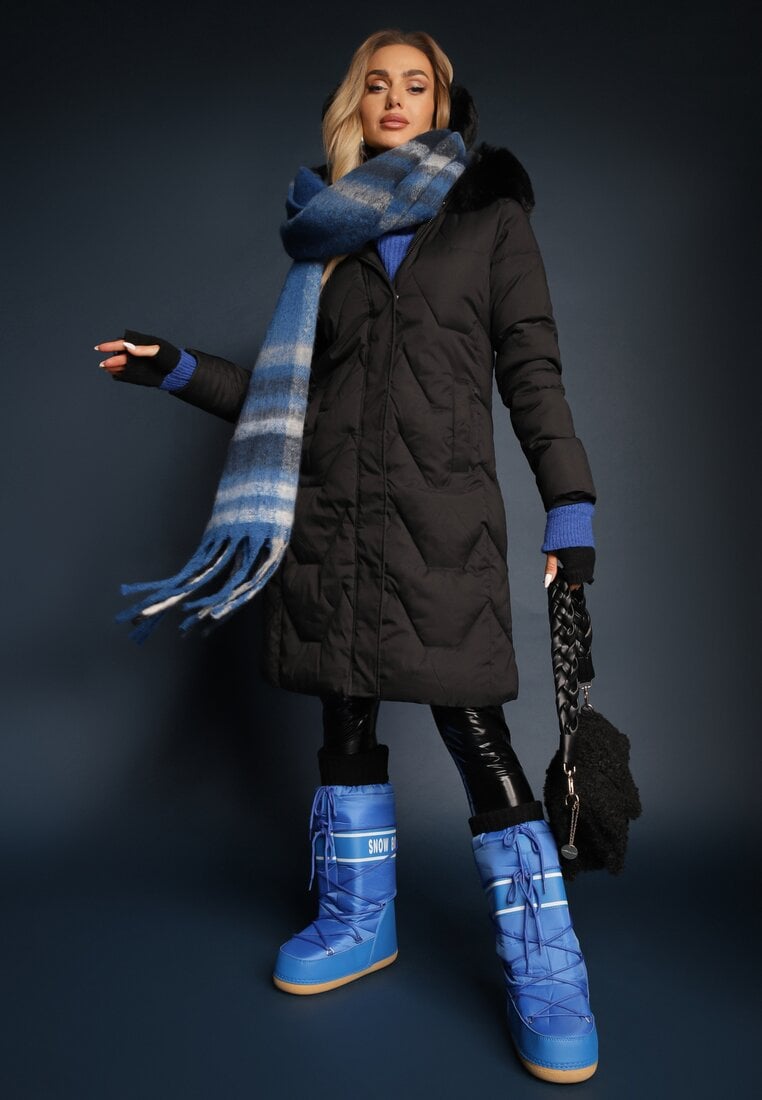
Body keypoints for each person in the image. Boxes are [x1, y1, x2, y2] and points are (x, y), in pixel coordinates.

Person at [95, 28, 599, 1085]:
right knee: (346, 719)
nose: (396, 99)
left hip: (442, 526)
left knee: (475, 731)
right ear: (354, 107)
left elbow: (533, 373)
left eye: (417, 84)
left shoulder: (492, 222)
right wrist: (175, 368)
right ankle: (358, 918)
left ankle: (547, 966)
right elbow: (291, 403)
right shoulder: (324, 234)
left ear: (445, 105)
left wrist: (571, 508)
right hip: (332, 524)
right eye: (378, 85)